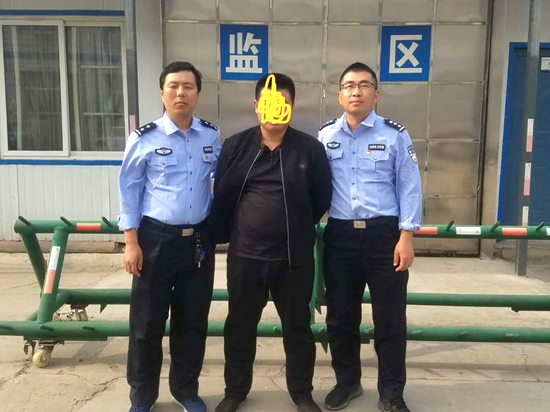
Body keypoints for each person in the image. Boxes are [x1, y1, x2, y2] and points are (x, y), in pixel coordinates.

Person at [211, 73, 332, 412]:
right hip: (245, 257)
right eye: (268, 102)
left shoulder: (310, 149)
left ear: (292, 107)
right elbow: (223, 195)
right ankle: (235, 392)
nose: (276, 109)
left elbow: (321, 199)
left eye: (283, 103)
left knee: (298, 329)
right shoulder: (235, 147)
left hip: (293, 260)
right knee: (239, 327)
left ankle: (301, 392)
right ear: (256, 106)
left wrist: (295, 226)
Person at [318, 62, 422, 412]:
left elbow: (409, 187)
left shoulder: (395, 135)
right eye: (349, 86)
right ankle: (347, 383)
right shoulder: (325, 136)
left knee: (390, 320)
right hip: (340, 237)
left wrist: (406, 236)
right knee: (340, 318)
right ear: (339, 95)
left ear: (376, 94)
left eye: (364, 85)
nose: (356, 91)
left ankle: (392, 393)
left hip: (384, 237)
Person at [118, 61, 221, 412]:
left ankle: (185, 391)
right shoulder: (144, 139)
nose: (181, 93)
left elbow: (222, 180)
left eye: (188, 86)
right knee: (146, 324)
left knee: (192, 322)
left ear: (197, 94)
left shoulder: (210, 136)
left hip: (197, 243)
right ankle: (142, 397)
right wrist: (131, 242)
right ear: (161, 93)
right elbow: (129, 191)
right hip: (155, 240)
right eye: (173, 86)